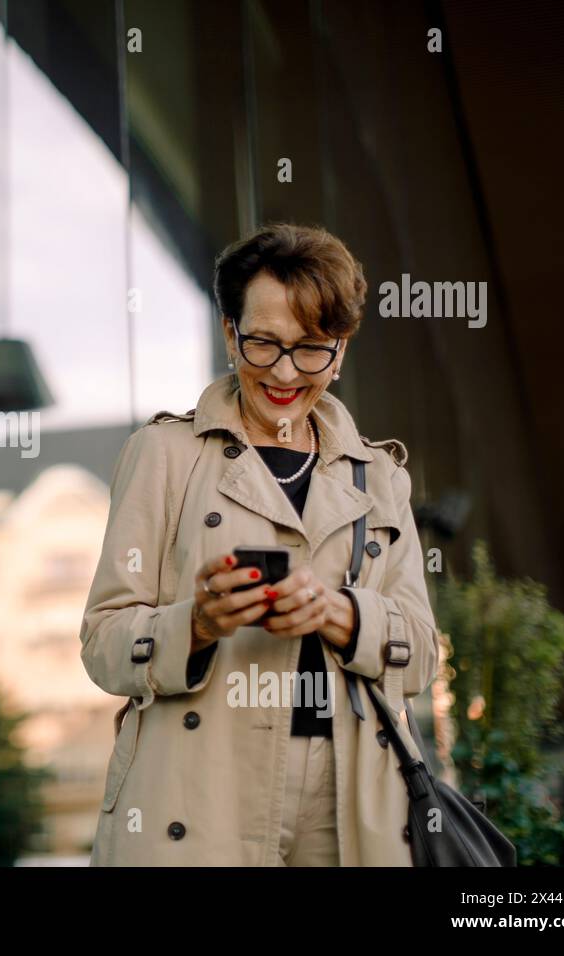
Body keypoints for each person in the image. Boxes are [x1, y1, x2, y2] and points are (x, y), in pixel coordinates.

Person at [82, 223, 440, 866]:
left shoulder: (380, 475)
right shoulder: (164, 455)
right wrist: (194, 624)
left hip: (349, 793)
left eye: (311, 350)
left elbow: (419, 658)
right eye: (263, 344)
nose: (283, 372)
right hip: (198, 787)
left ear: (342, 348)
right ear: (228, 332)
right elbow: (104, 646)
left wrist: (340, 613)